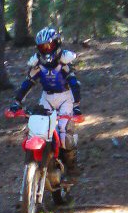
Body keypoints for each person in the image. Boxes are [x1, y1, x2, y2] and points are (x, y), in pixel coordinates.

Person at [9, 27, 82, 176]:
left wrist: (76, 107)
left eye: (49, 45)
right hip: (47, 97)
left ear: (57, 44)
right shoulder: (38, 65)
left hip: (65, 98)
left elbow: (74, 83)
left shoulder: (64, 63)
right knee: (38, 128)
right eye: (43, 47)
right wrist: (17, 102)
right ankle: (44, 158)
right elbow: (27, 83)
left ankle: (71, 167)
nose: (47, 50)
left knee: (64, 133)